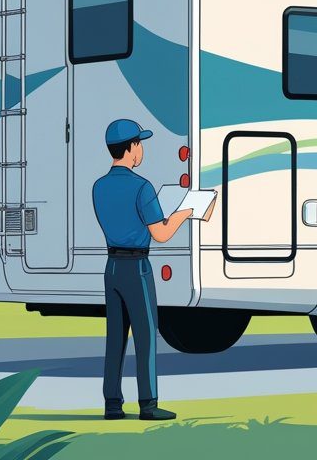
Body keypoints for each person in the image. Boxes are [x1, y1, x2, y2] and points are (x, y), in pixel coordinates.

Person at [92, 119, 212, 421]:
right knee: (145, 336)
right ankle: (148, 404)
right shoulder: (142, 187)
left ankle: (112, 405)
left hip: (112, 266)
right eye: (140, 144)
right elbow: (161, 233)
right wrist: (186, 212)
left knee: (115, 338)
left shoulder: (99, 186)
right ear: (131, 147)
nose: (142, 150)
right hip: (137, 268)